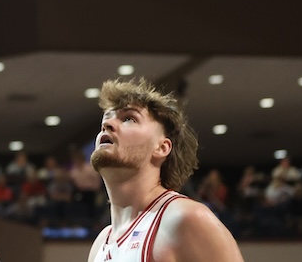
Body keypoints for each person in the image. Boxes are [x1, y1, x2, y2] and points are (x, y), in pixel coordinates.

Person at [87, 78, 243, 262]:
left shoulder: (186, 219)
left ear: (162, 148)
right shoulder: (101, 244)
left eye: (129, 118)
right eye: (106, 119)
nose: (108, 124)